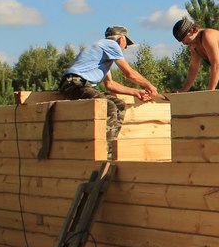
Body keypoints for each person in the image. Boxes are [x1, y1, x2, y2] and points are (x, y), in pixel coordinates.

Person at [57, 26, 158, 156]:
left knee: (120, 105)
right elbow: (129, 73)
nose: (124, 48)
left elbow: (110, 85)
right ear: (121, 39)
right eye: (126, 45)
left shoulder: (101, 53)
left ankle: (111, 146)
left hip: (77, 85)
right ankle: (106, 153)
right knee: (108, 106)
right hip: (74, 84)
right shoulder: (111, 45)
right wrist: (148, 85)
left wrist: (136, 92)